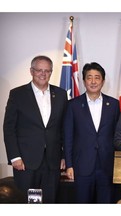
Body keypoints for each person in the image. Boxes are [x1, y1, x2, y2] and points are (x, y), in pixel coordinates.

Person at [3, 55, 67, 203]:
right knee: (26, 203)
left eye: (47, 71)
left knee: (50, 201)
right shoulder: (17, 94)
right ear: (31, 71)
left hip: (53, 161)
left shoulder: (61, 95)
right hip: (25, 162)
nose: (43, 74)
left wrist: (64, 155)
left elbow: (64, 127)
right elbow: (9, 128)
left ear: (51, 72)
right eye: (39, 70)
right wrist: (15, 157)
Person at [64, 62, 120, 203]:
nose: (93, 81)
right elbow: (68, 137)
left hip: (107, 166)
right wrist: (69, 165)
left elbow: (117, 135)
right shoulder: (73, 105)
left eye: (97, 77)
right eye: (89, 77)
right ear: (84, 81)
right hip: (81, 166)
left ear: (103, 81)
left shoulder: (113, 104)